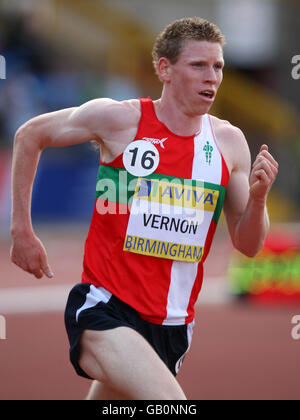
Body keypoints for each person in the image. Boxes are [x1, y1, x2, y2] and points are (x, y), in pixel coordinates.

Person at [10, 17, 278, 400]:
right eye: (198, 65)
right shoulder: (120, 119)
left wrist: (258, 198)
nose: (212, 77)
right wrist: (22, 229)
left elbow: (249, 245)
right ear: (165, 69)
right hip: (105, 310)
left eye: (217, 66)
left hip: (172, 328)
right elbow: (29, 134)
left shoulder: (229, 143)